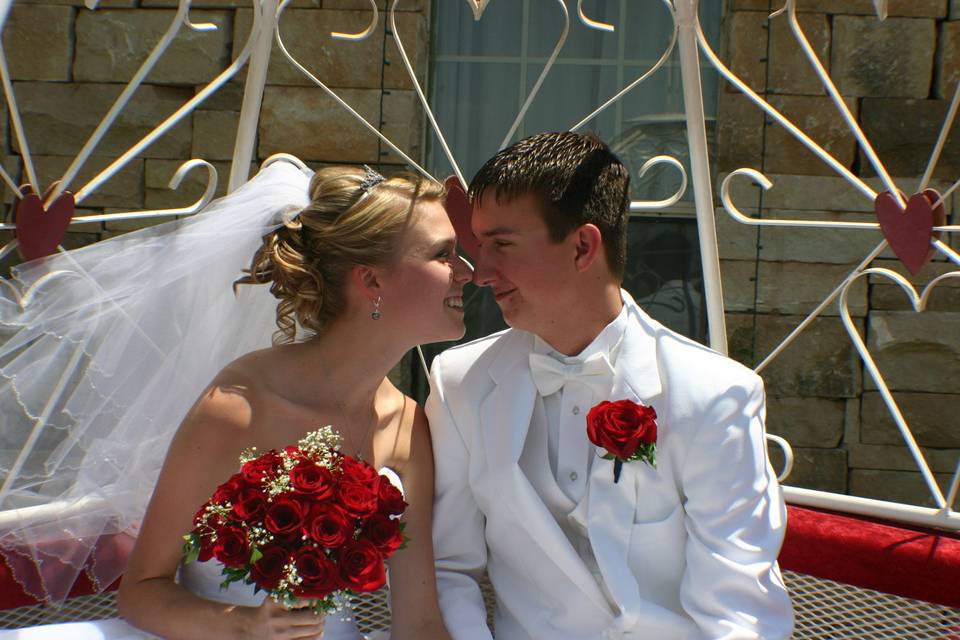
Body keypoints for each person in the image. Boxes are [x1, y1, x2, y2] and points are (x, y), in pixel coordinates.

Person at [4, 161, 469, 640]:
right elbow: (142, 591)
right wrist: (249, 626)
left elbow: (420, 622)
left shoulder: (407, 422)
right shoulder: (239, 409)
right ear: (371, 281)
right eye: (444, 255)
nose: (467, 274)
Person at [426, 131, 795, 639]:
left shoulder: (713, 395)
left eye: (502, 246)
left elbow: (741, 612)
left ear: (583, 246)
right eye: (479, 245)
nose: (481, 272)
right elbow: (449, 568)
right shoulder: (459, 384)